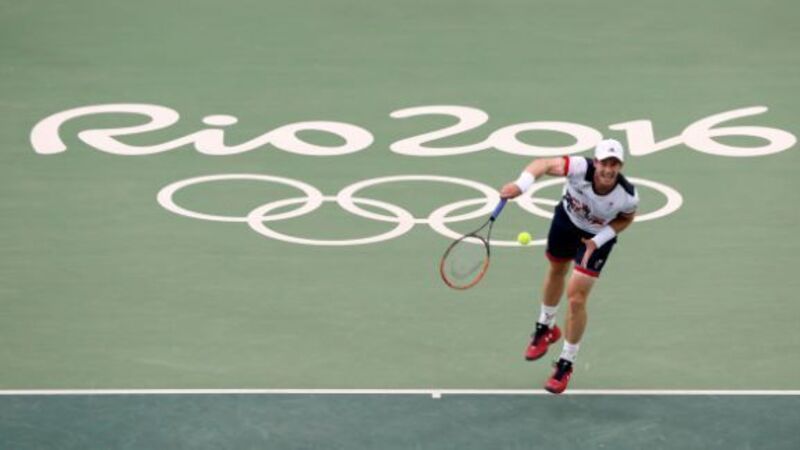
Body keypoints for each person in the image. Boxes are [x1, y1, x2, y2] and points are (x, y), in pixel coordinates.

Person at [499, 139, 638, 394]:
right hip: (566, 222)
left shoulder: (627, 195)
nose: (608, 169)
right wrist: (521, 185)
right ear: (596, 162)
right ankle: (545, 327)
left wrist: (599, 240)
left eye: (614, 164)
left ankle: (566, 362)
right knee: (556, 269)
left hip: (596, 239)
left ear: (620, 166)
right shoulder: (578, 167)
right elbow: (542, 164)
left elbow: (626, 219)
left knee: (576, 298)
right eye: (604, 163)